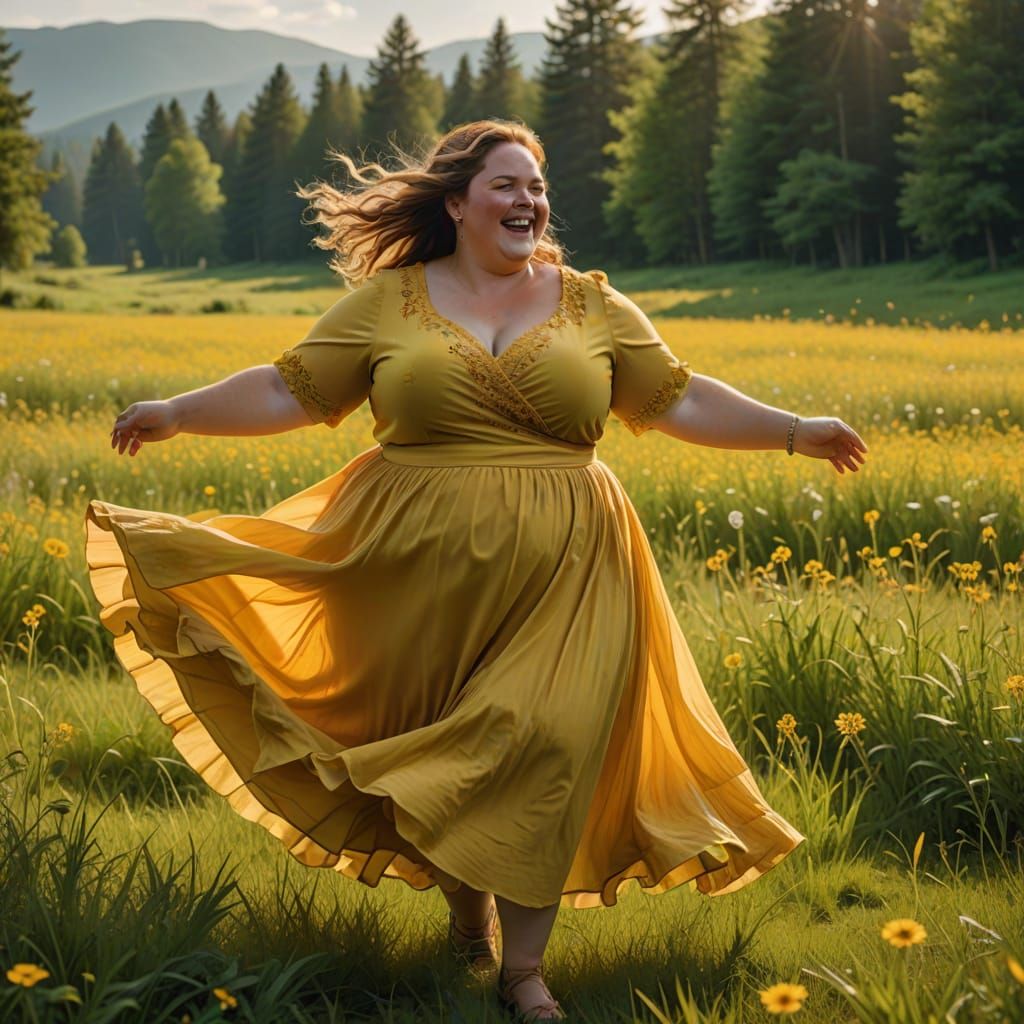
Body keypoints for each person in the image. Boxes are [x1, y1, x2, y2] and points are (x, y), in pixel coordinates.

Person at [89, 119, 868, 1021]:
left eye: (537, 187)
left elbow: (679, 398)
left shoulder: (592, 305)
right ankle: (470, 920)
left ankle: (524, 972)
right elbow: (286, 388)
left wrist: (795, 431)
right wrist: (179, 411)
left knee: (544, 742)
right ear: (457, 203)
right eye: (507, 184)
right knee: (449, 748)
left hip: (575, 569)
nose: (528, 200)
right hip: (409, 570)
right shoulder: (391, 301)